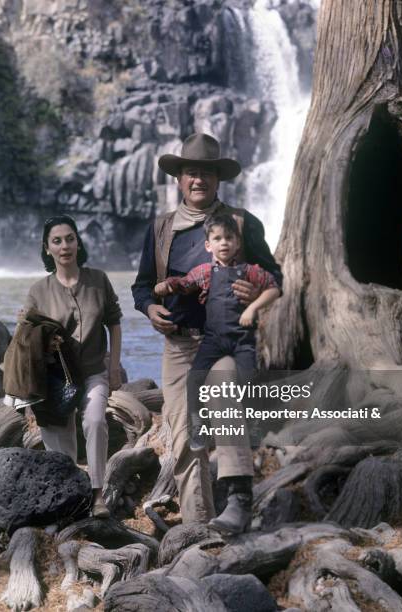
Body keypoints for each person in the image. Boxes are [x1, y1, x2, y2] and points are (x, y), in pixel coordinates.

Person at [132, 133, 282, 531]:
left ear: (219, 180)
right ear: (180, 179)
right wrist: (150, 308)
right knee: (183, 435)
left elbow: (275, 275)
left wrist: (255, 291)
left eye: (207, 174)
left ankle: (238, 504)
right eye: (191, 173)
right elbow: (142, 285)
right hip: (178, 345)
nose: (199, 180)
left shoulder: (242, 223)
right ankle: (199, 525)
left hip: (227, 341)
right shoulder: (161, 228)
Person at [154, 212, 280, 454]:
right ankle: (198, 427)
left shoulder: (250, 271)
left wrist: (253, 307)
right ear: (208, 245)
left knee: (249, 380)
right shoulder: (204, 272)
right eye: (218, 238)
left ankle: (253, 428)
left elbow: (273, 288)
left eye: (229, 238)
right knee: (195, 379)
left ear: (238, 243)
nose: (224, 243)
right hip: (213, 340)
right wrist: (167, 285)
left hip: (243, 340)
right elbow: (184, 283)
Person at [23, 215, 123, 518]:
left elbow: (115, 323)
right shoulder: (38, 291)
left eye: (69, 238)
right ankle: (70, 496)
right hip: (56, 378)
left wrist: (114, 366)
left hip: (93, 371)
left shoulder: (98, 280)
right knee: (59, 439)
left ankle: (97, 492)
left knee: (94, 421)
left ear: (78, 242)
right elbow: (26, 339)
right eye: (57, 241)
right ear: (47, 248)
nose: (64, 245)